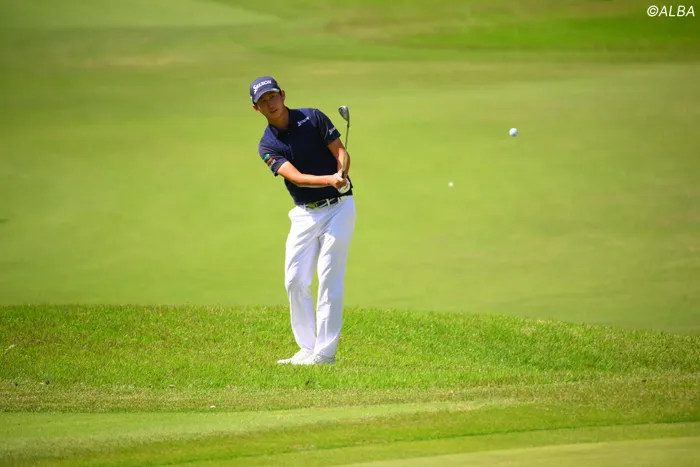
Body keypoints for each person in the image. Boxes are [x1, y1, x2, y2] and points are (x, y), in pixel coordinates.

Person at [250, 76, 356, 366]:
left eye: (273, 96)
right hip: (304, 214)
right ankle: (307, 348)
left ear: (283, 95)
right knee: (294, 280)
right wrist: (330, 179)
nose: (270, 103)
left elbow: (341, 152)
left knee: (329, 277)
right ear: (256, 109)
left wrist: (342, 172)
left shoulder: (313, 117)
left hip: (339, 208)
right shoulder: (267, 145)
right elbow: (296, 177)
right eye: (263, 101)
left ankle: (325, 354)